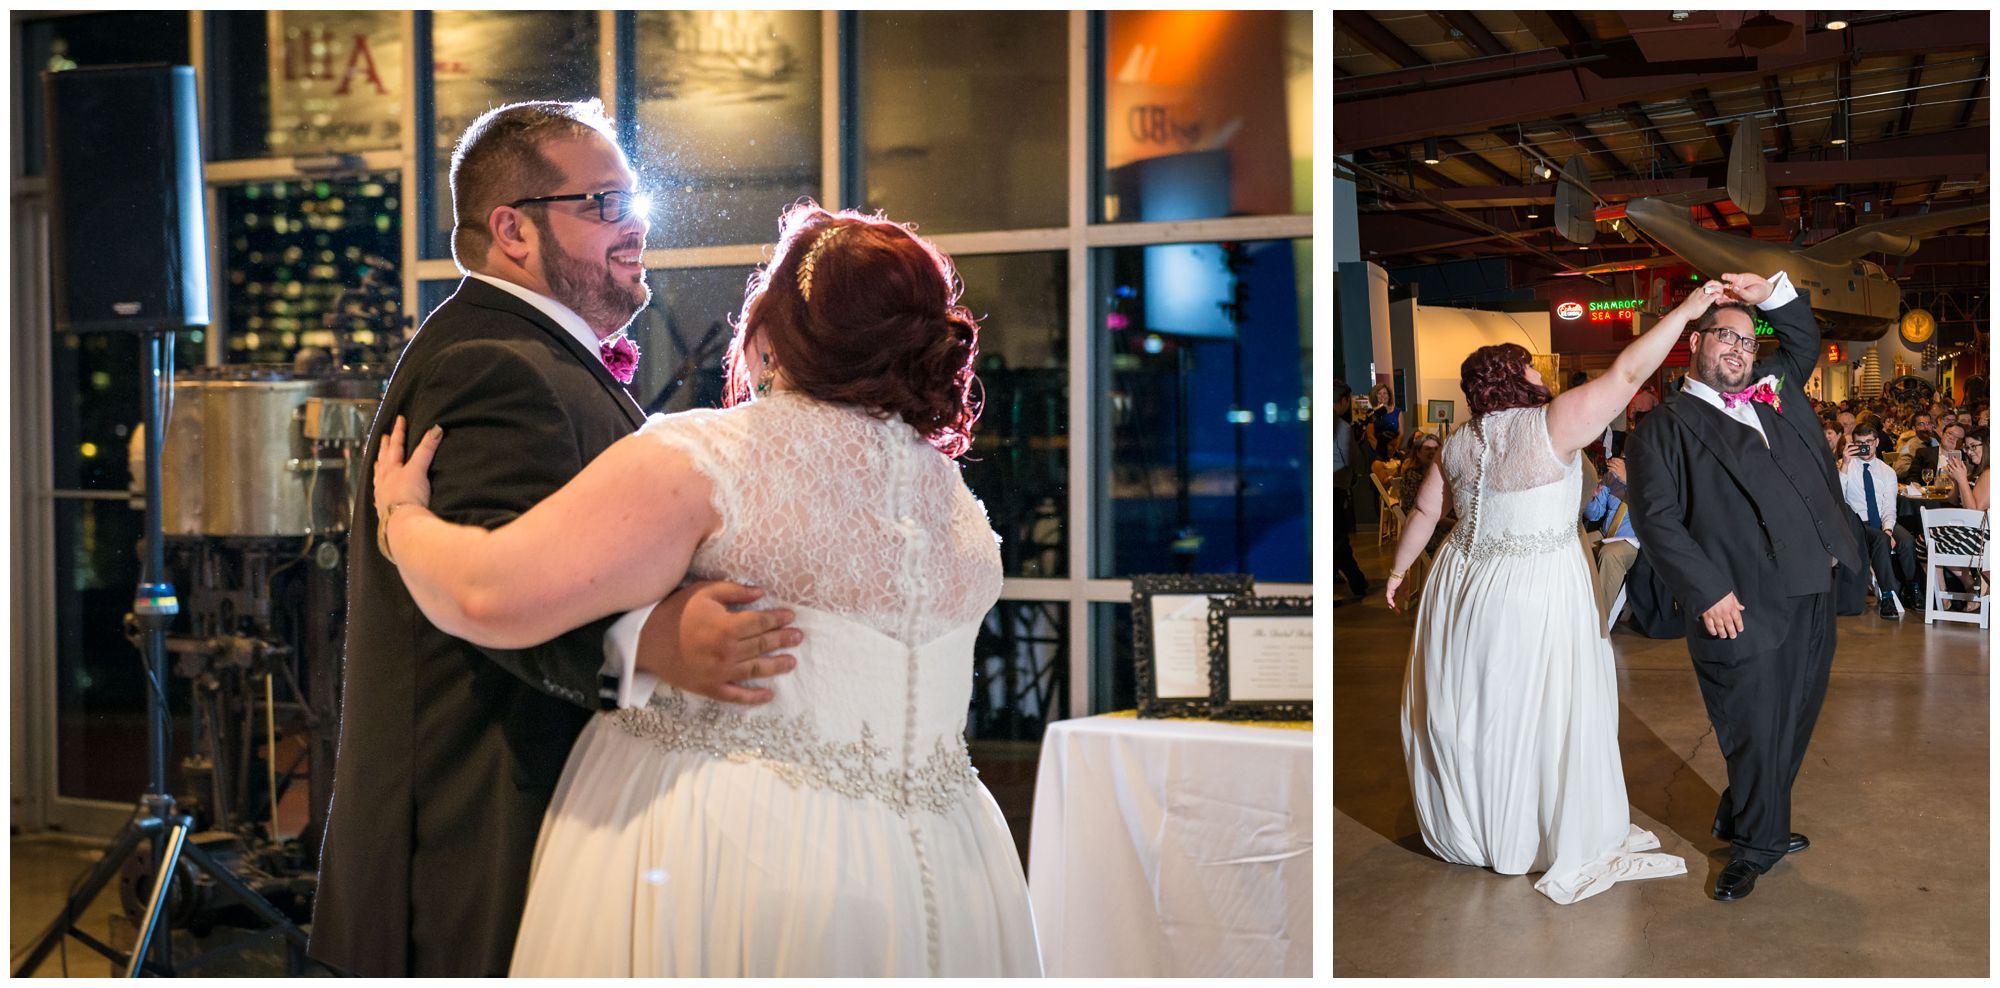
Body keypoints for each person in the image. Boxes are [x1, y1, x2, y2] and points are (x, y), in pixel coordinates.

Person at [368, 203, 1040, 976]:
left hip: (732, 847)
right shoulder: (948, 493)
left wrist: (402, 515)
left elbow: (486, 595)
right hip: (949, 866)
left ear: (771, 337)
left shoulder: (708, 458)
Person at [309, 100, 801, 977]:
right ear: (512, 231)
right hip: (479, 826)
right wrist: (648, 642)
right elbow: (494, 594)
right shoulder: (491, 364)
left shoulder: (528, 353)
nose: (636, 223)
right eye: (604, 205)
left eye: (635, 199)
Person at [1384, 281, 1720, 905]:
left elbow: (1429, 513)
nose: (1540, 371)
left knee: (1479, 705)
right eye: (1529, 364)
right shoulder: (1551, 421)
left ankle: (1487, 829)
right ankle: (1534, 832)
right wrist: (1688, 310)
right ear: (1512, 378)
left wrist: (1401, 572)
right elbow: (1627, 370)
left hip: (1461, 586)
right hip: (1535, 583)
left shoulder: (1460, 440)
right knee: (1540, 704)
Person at [1625, 271, 1862, 902]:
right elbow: (1658, 522)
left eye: (1748, 341)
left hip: (1814, 581)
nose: (1738, 348)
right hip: (1740, 601)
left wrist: (1773, 296)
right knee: (1754, 722)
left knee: (1794, 717)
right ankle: (1758, 844)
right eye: (1724, 337)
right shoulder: (1664, 428)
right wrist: (1706, 591)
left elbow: (1803, 340)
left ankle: (1744, 813)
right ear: (1696, 344)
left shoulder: (1771, 393)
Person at [1837, 422, 1915, 618]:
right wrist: (1845, 464)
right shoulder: (1846, 466)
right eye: (1859, 443)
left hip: (1882, 520)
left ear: (1877, 442)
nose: (1865, 447)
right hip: (1857, 523)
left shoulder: (1887, 471)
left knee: (1906, 541)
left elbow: (1889, 506)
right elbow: (1837, 497)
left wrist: (1889, 529)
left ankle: (1913, 589)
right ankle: (1888, 596)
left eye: (1869, 442)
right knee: (1880, 539)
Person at [1585, 456, 1641, 629]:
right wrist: (1590, 496)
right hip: (1606, 533)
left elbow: (1650, 507)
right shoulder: (1611, 477)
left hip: (1633, 541)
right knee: (1575, 544)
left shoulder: (1649, 476)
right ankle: (1570, 607)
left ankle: (1596, 623)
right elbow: (1594, 514)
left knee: (1610, 554)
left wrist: (1628, 480)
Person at [1332, 379, 1369, 600]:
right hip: (1334, 487)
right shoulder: (1341, 426)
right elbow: (1351, 460)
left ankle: (1354, 580)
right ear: (1344, 400)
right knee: (1337, 538)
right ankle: (1357, 581)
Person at [1366, 382, 1403, 460]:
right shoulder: (1371, 413)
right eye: (1379, 393)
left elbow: (1401, 434)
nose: (1382, 396)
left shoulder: (1397, 411)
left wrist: (1393, 451)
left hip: (1394, 453)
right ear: (1375, 396)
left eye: (1385, 393)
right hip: (1377, 454)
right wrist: (1382, 453)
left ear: (1389, 396)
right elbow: (1370, 436)